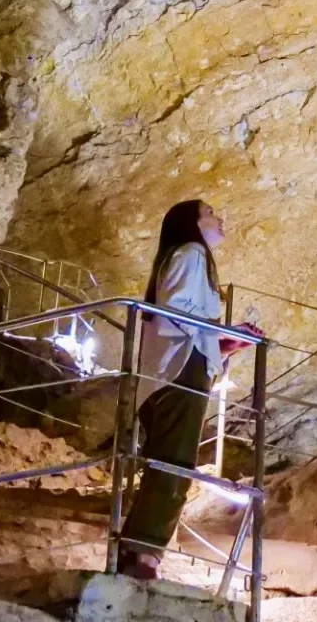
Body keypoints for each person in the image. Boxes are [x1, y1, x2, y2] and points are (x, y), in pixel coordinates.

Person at [119, 200, 260, 580]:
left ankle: (135, 551)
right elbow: (177, 311)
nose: (220, 217)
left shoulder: (183, 257)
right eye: (210, 212)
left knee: (166, 465)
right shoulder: (193, 253)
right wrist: (225, 332)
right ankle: (144, 557)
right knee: (174, 467)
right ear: (192, 223)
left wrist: (225, 343)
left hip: (170, 372)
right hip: (180, 373)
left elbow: (182, 323)